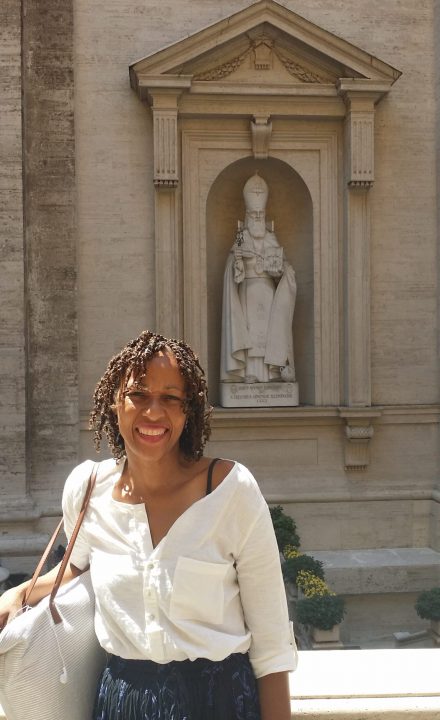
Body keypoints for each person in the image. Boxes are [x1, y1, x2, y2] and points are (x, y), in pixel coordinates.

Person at [0, 330, 297, 720]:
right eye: (138, 394)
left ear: (186, 411)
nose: (153, 412)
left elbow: (272, 646)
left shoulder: (231, 492)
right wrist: (18, 596)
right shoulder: (88, 490)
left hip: (220, 700)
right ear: (114, 403)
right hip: (124, 701)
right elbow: (76, 567)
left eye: (170, 398)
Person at [221, 172, 297, 384]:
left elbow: (282, 267)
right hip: (248, 291)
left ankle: (272, 373)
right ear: (247, 215)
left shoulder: (271, 237)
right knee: (250, 333)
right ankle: (249, 373)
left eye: (260, 215)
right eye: (253, 215)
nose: (257, 218)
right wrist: (237, 261)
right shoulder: (241, 237)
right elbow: (232, 270)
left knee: (267, 333)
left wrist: (277, 267)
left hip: (268, 292)